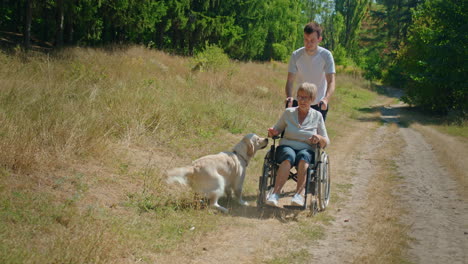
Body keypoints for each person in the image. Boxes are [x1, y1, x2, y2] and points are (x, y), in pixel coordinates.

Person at [266, 82, 330, 207]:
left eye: (305, 97)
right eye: (299, 97)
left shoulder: (317, 116)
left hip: (306, 149)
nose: (301, 100)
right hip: (287, 146)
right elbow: (277, 129)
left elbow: (326, 141)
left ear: (312, 99)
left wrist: (319, 137)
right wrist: (273, 132)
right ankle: (275, 194)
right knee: (288, 156)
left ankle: (299, 196)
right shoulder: (288, 112)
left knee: (303, 158)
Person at [285, 21, 336, 121]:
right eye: (306, 40)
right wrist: (289, 97)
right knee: (290, 133)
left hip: (318, 103)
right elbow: (290, 81)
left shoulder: (326, 55)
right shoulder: (296, 55)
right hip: (298, 102)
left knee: (316, 136)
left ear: (319, 39)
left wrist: (326, 99)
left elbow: (331, 81)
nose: (308, 43)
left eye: (312, 40)